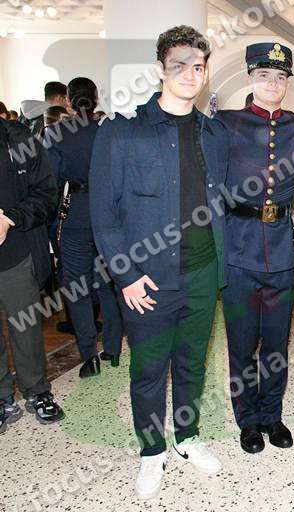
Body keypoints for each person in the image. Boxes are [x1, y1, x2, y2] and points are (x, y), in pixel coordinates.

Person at [91, 26, 229, 498]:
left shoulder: (214, 134)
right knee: (149, 369)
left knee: (193, 364)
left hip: (202, 272)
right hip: (146, 279)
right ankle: (152, 450)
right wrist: (126, 275)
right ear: (160, 69)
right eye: (179, 65)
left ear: (205, 73)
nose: (190, 74)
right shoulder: (122, 133)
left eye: (198, 66)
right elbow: (104, 216)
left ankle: (187, 437)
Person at [216, 42, 294, 455]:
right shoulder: (226, 124)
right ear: (251, 77)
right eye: (265, 75)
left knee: (275, 343)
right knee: (240, 343)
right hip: (239, 247)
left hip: (281, 250)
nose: (273, 83)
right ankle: (247, 419)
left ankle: (271, 414)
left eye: (280, 77)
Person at [47, 77, 124, 378]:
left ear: (68, 101)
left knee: (77, 286)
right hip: (108, 212)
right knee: (109, 281)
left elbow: (52, 183)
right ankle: (113, 348)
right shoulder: (109, 131)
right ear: (96, 99)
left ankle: (89, 356)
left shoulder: (58, 134)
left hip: (77, 211)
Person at [0, 111, 64, 434]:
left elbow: (46, 194)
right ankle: (2, 398)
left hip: (16, 252)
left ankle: (37, 391)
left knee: (24, 326)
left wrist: (10, 218)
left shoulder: (20, 140)